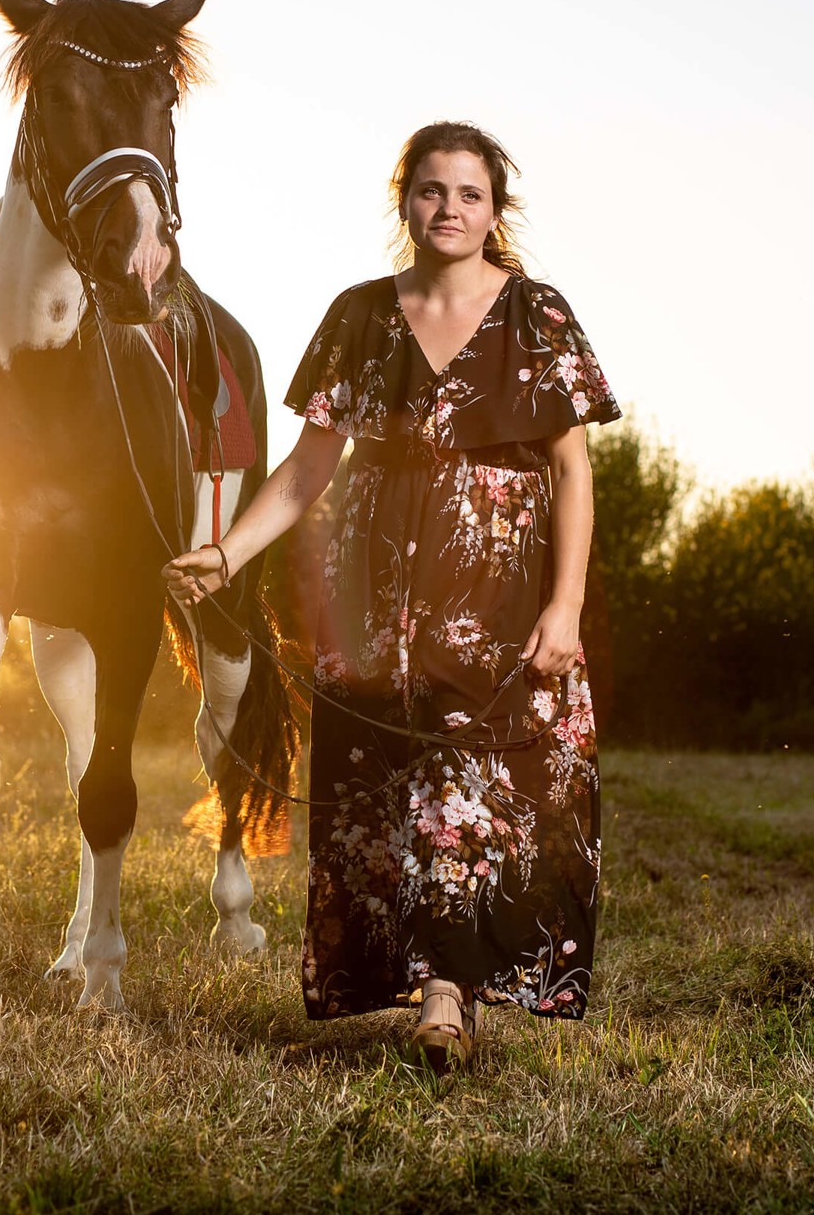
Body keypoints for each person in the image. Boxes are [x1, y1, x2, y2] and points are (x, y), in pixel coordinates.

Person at [164, 121, 621, 1073]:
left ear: (494, 211)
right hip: (375, 594)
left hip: (497, 587)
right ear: (404, 200)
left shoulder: (538, 314)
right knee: (388, 790)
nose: (449, 208)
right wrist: (226, 554)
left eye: (469, 194)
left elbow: (572, 470)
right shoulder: (359, 315)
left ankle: (449, 994)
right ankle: (434, 986)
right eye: (431, 190)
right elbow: (306, 471)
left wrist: (567, 604)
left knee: (473, 778)